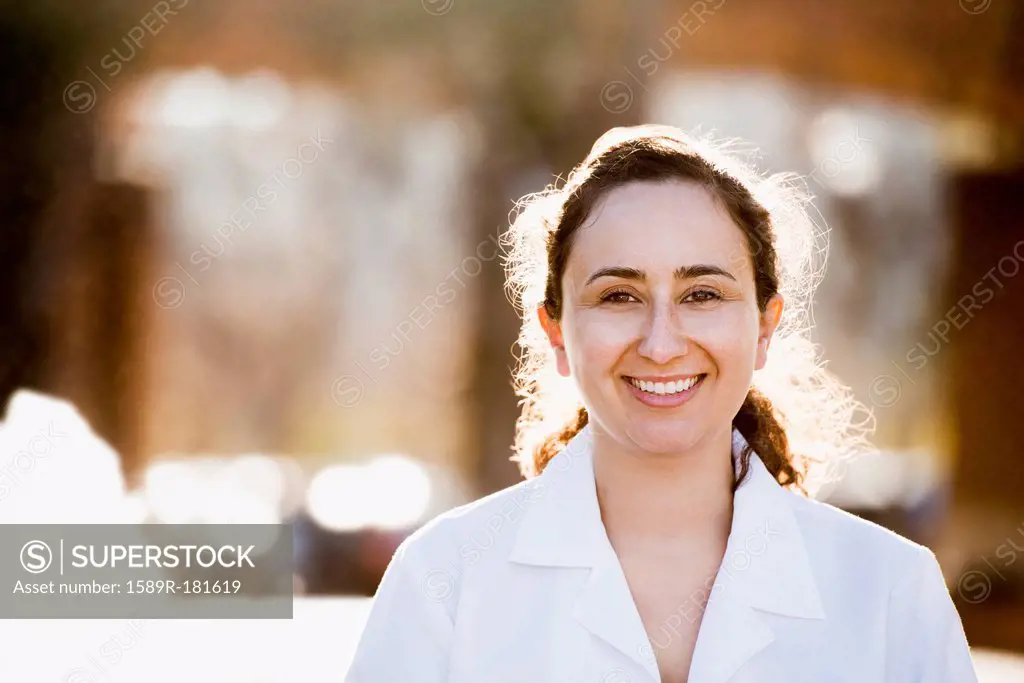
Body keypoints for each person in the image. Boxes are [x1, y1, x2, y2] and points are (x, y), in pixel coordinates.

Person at [344, 125, 978, 682]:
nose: (661, 342)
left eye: (702, 294)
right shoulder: (443, 581)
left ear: (763, 328)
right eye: (618, 296)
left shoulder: (890, 593)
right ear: (558, 332)